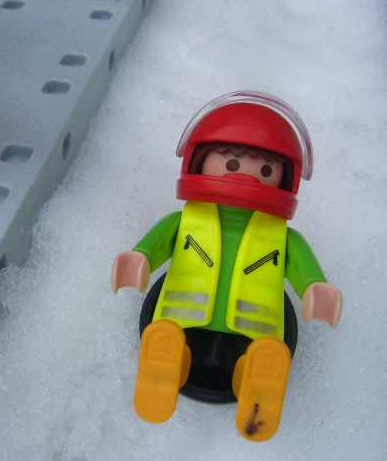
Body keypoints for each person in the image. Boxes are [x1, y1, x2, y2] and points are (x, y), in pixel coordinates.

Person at [112, 91, 342, 442]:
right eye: (231, 164)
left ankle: (257, 377)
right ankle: (166, 364)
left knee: (259, 355)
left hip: (253, 334)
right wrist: (140, 258)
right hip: (183, 321)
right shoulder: (184, 220)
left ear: (286, 178)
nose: (245, 178)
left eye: (265, 170)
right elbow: (155, 244)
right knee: (169, 337)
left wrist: (315, 287)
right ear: (198, 160)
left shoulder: (283, 237)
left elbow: (302, 267)